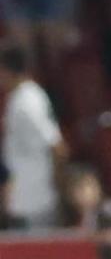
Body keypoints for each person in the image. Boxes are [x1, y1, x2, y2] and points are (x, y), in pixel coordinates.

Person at [0, 43, 67, 229]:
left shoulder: (30, 101)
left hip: (38, 200)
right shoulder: (17, 97)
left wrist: (57, 189)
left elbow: (57, 146)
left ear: (6, 69)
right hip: (21, 199)